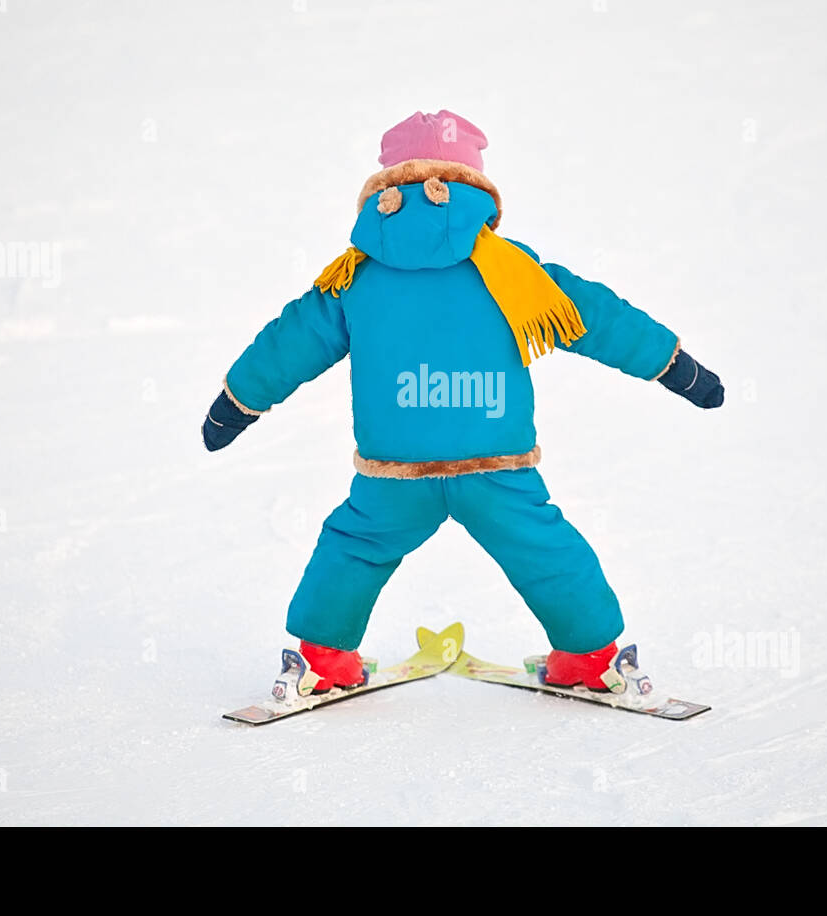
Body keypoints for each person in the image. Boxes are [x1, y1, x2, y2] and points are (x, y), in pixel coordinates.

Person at [203, 110, 723, 693]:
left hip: (394, 471)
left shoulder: (354, 278)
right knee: (544, 550)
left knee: (355, 546)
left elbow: (290, 342)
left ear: (385, 188)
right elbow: (598, 317)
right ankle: (589, 656)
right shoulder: (511, 268)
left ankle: (322, 660)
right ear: (474, 185)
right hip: (495, 464)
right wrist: (677, 368)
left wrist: (235, 403)